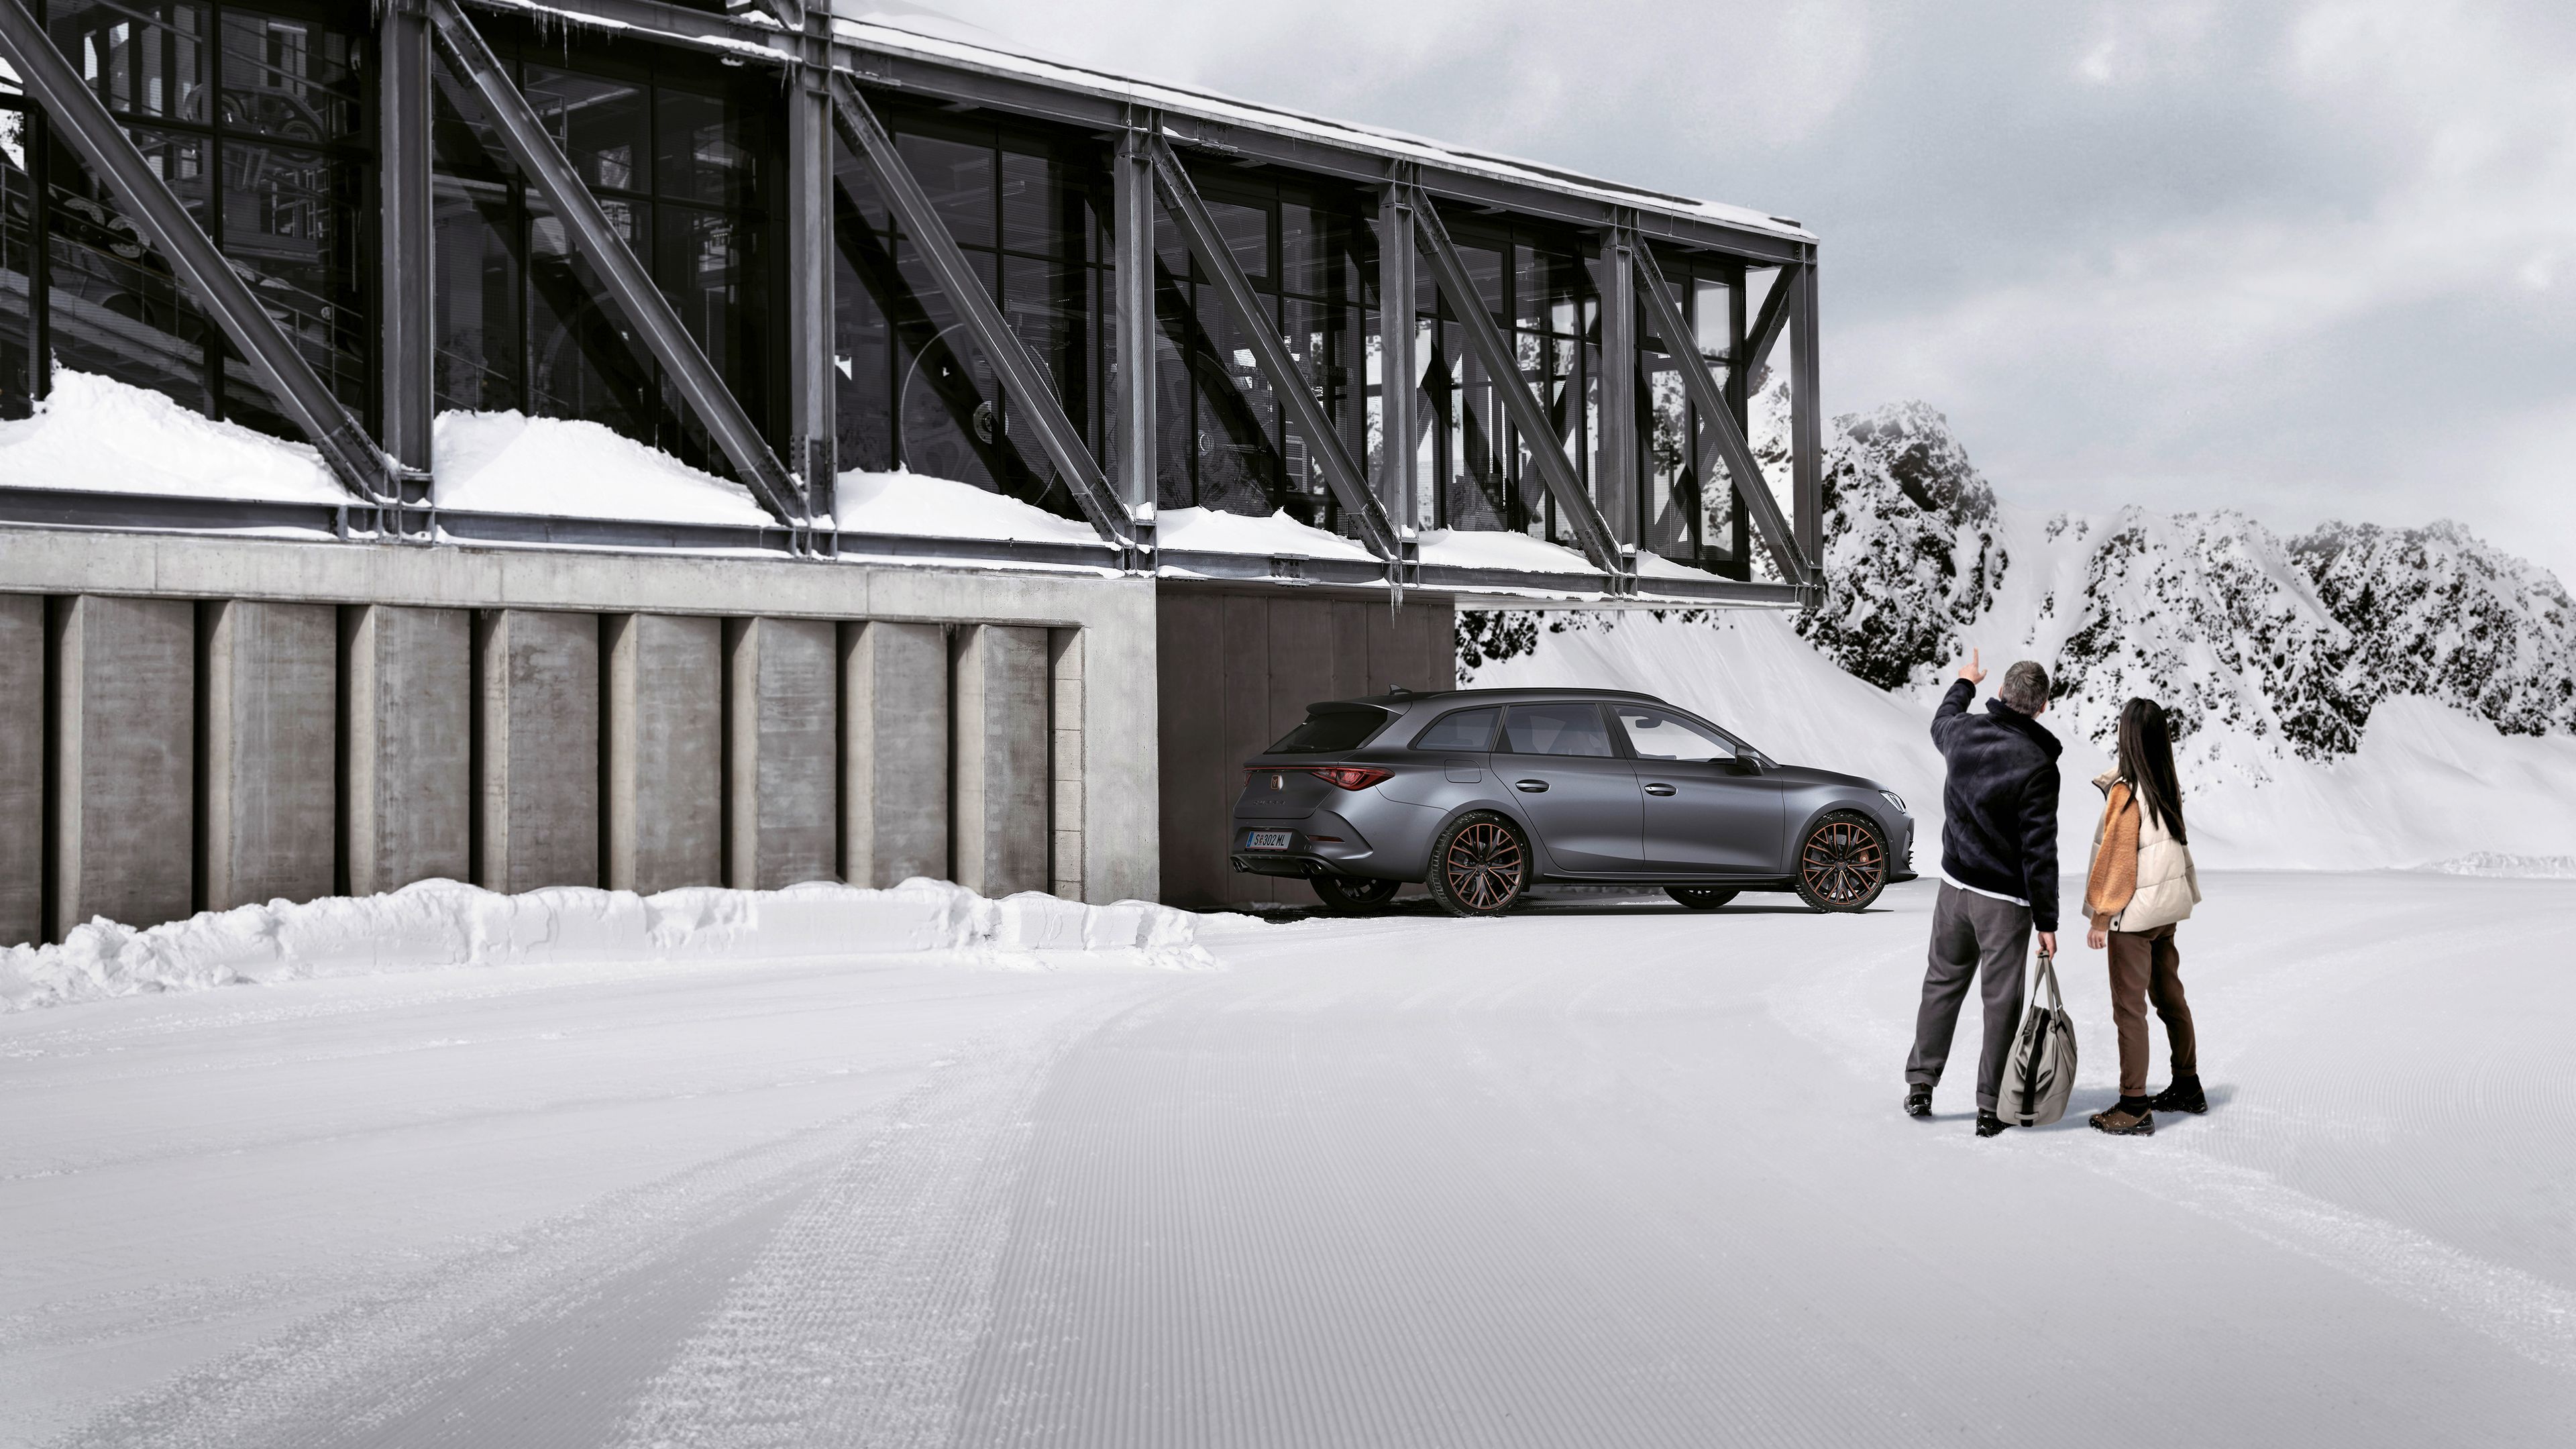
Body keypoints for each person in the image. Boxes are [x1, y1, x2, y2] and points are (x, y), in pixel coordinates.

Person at [1905, 650, 2061, 1137]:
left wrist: (1964, 681)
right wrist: (2047, 921)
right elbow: (2039, 851)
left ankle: (1920, 1086)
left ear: (2000, 695)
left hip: (1953, 889)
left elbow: (1942, 719)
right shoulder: (2038, 765)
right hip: (2004, 905)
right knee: (2000, 1003)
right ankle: (1989, 1107)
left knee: (1941, 984)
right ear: (2041, 707)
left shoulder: (1964, 733)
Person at [2081, 698, 2205, 1136]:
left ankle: (2134, 1107)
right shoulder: (2163, 785)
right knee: (2170, 998)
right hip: (2165, 911)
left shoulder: (2127, 791)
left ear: (2127, 736)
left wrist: (2101, 917)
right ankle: (2188, 1086)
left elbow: (2117, 859)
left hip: (2133, 918)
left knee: (2129, 1009)